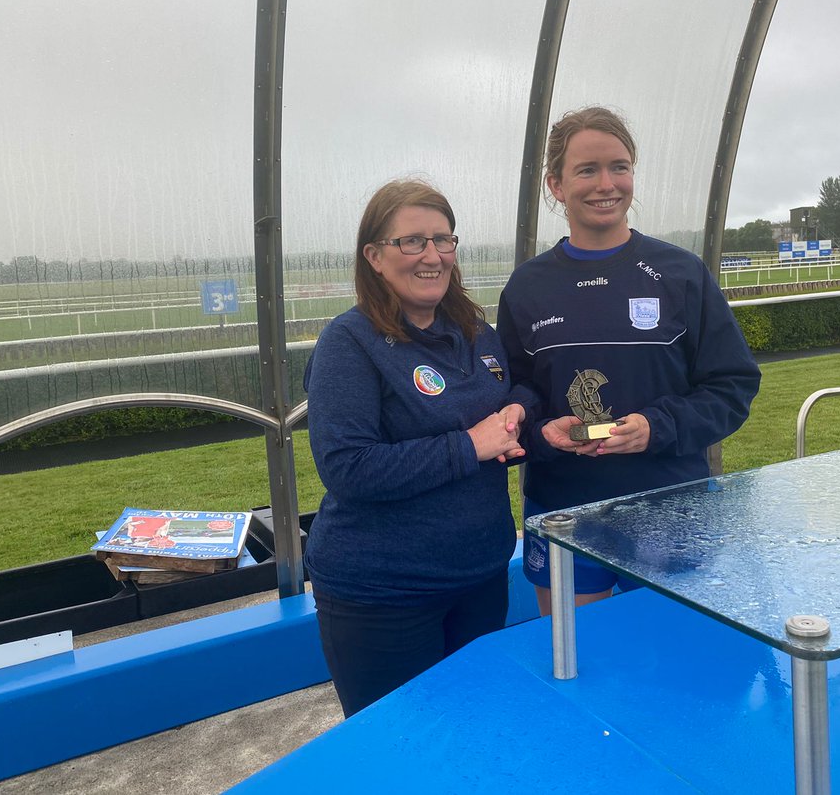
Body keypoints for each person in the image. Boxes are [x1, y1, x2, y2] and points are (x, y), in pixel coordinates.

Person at [497, 106, 761, 615]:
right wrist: (543, 433)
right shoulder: (528, 287)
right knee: (577, 654)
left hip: (672, 507)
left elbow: (732, 386)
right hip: (564, 510)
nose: (606, 184)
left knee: (670, 654)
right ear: (556, 185)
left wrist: (656, 427)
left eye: (619, 167)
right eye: (587, 170)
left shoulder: (681, 273)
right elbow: (515, 394)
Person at [303, 179, 528, 717]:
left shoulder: (475, 331)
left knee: (471, 730)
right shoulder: (349, 342)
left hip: (479, 578)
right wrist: (469, 446)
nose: (432, 255)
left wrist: (519, 413)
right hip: (383, 595)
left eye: (443, 239)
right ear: (374, 257)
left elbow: (508, 394)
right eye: (412, 241)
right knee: (403, 749)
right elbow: (348, 468)